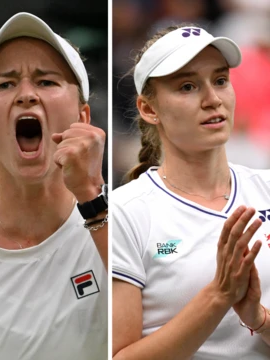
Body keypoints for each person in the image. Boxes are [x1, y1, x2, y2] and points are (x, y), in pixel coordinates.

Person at [0, 12, 108, 359]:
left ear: (83, 116)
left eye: (47, 82)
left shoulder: (131, 220)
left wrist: (91, 198)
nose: (26, 95)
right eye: (5, 84)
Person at [112, 25, 270, 359]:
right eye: (187, 86)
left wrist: (260, 319)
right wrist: (219, 295)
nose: (213, 99)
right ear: (149, 109)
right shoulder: (124, 212)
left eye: (220, 80)